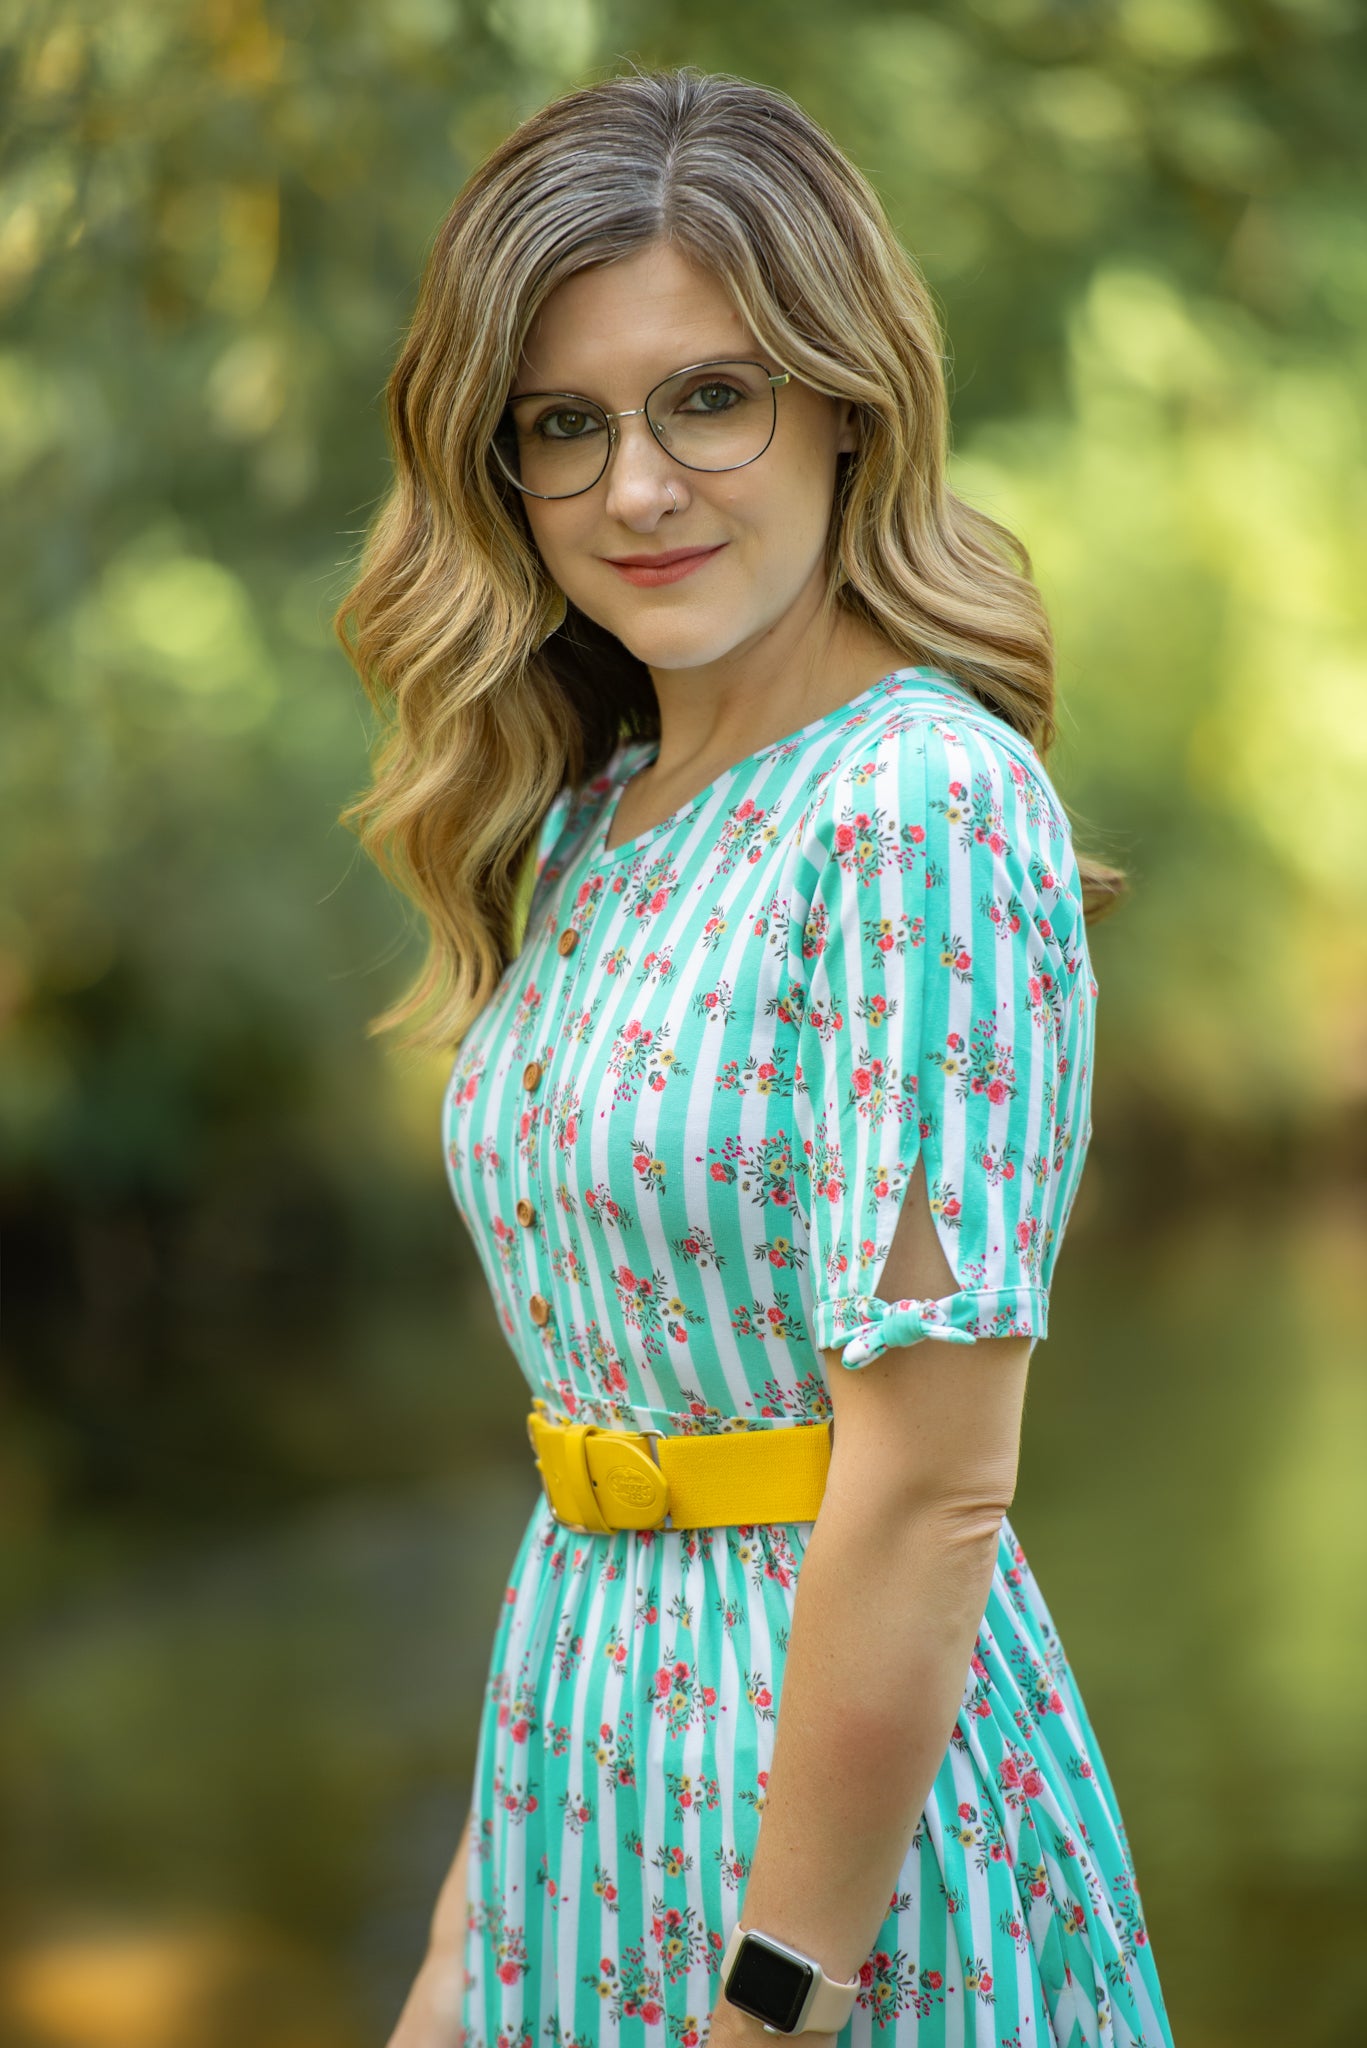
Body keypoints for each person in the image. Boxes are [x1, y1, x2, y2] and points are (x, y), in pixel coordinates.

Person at [335, 65, 1177, 2048]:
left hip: (835, 1875)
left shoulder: (920, 807)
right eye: (567, 424)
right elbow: (600, 1438)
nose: (639, 485)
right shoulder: (585, 820)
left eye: (710, 396)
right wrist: (469, 1937)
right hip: (580, 1782)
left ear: (845, 400)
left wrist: (774, 1996)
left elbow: (928, 1492)